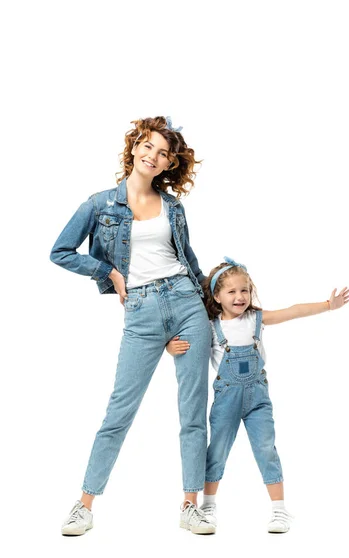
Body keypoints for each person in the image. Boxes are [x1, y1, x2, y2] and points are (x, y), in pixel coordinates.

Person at [50, 116, 216, 536]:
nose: (153, 155)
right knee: (119, 412)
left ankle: (190, 505)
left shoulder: (174, 207)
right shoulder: (99, 204)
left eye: (162, 153)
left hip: (185, 303)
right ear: (134, 147)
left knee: (193, 412)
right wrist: (108, 273)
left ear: (167, 164)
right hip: (141, 312)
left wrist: (213, 298)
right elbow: (61, 251)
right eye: (148, 145)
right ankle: (84, 505)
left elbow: (188, 259)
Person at [166, 256, 349, 533]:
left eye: (245, 290)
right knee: (216, 452)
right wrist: (170, 347)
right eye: (232, 291)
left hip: (258, 400)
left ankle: (279, 511)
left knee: (266, 448)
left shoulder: (257, 318)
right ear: (217, 296)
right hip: (226, 399)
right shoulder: (210, 326)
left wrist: (328, 306)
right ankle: (208, 506)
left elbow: (293, 311)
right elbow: (181, 340)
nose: (240, 296)